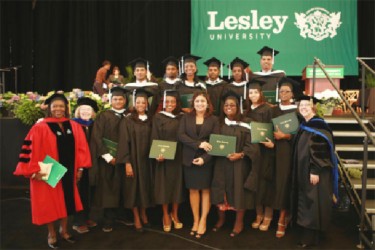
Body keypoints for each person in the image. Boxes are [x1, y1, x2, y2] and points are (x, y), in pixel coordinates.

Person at [14, 93, 92, 249]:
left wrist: (80, 168)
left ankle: (64, 231)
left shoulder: (74, 126)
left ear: (66, 109)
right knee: (50, 204)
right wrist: (35, 170)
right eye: (55, 106)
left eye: (61, 106)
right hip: (50, 170)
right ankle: (52, 233)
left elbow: (82, 148)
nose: (58, 109)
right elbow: (30, 150)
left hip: (69, 171)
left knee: (66, 202)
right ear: (49, 108)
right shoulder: (40, 127)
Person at [290, 95, 338, 248]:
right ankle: (311, 234)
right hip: (305, 170)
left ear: (313, 108)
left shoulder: (319, 127)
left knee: (312, 202)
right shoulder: (306, 124)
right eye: (301, 105)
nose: (303, 107)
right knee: (309, 201)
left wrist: (315, 170)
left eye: (306, 105)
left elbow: (320, 151)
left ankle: (309, 237)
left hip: (314, 172)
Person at [211, 90, 260, 237]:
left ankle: (239, 222)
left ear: (238, 107)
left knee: (239, 192)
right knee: (220, 189)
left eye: (232, 105)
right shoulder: (218, 123)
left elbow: (254, 146)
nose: (229, 107)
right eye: (226, 105)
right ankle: (221, 219)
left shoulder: (247, 123)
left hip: (239, 164)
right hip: (221, 163)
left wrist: (241, 154)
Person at [178, 92, 219, 239]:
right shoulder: (185, 117)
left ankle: (203, 220)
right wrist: (198, 144)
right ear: (193, 103)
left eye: (203, 101)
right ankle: (195, 220)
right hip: (189, 158)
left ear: (207, 103)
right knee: (193, 190)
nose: (200, 104)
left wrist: (205, 159)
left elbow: (215, 142)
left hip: (206, 160)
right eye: (197, 101)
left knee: (206, 190)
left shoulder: (214, 120)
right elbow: (181, 135)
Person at [90, 87, 132, 233]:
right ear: (110, 100)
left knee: (124, 187)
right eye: (115, 99)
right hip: (108, 159)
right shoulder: (103, 116)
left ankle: (122, 215)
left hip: (125, 159)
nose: (118, 101)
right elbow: (96, 137)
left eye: (121, 99)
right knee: (108, 188)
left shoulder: (129, 116)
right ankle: (108, 219)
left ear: (125, 100)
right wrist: (107, 156)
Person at [117, 88, 154, 233]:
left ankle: (144, 213)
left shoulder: (151, 120)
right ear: (134, 103)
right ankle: (136, 217)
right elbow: (123, 143)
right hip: (133, 160)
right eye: (138, 102)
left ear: (147, 104)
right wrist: (127, 163)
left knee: (145, 187)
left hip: (147, 161)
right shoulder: (127, 120)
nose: (140, 104)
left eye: (143, 102)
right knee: (133, 189)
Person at [270, 77, 303, 238]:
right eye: (281, 91)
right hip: (272, 152)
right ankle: (275, 215)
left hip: (287, 152)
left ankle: (282, 219)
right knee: (273, 182)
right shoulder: (274, 110)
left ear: (292, 94)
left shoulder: (297, 112)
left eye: (287, 91)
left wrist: (286, 136)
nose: (283, 93)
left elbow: (301, 135)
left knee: (284, 183)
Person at [151, 90, 185, 232]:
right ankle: (165, 214)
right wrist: (157, 154)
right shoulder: (158, 117)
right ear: (163, 103)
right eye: (167, 101)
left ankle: (175, 214)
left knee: (177, 186)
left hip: (179, 157)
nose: (170, 104)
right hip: (163, 157)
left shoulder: (182, 117)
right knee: (164, 187)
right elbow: (155, 136)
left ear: (177, 103)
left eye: (173, 101)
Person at [245, 79, 275, 232]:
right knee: (255, 183)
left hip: (266, 152)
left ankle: (268, 216)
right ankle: (259, 214)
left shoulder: (267, 109)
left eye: (256, 92)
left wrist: (271, 142)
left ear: (261, 93)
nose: (253, 94)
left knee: (266, 184)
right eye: (250, 92)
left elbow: (272, 129)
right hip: (252, 152)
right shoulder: (246, 110)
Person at [71, 97, 99, 234]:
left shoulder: (94, 125)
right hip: (78, 164)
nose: (86, 112)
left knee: (88, 191)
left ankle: (86, 217)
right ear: (78, 111)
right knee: (79, 192)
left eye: (89, 109)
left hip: (91, 163)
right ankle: (78, 221)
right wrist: (79, 167)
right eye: (83, 109)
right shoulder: (73, 125)